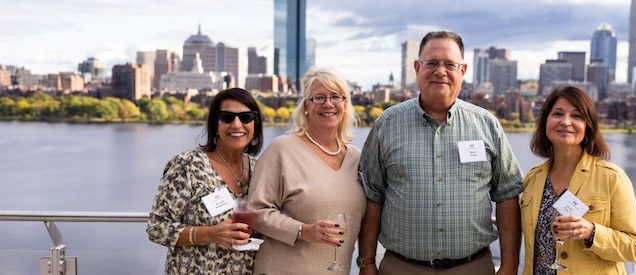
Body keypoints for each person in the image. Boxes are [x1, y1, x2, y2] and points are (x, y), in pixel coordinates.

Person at [358, 31, 525, 275]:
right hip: (401, 268)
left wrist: (510, 265)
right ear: (417, 67)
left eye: (449, 64)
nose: (441, 71)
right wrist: (367, 262)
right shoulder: (387, 123)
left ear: (463, 70)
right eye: (432, 63)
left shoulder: (487, 125)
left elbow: (508, 195)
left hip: (473, 268)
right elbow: (372, 196)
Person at [247, 66, 365, 274]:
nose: (328, 104)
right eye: (318, 98)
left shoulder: (356, 157)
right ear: (306, 107)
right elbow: (255, 212)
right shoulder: (282, 149)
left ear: (345, 105)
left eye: (336, 96)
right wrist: (302, 230)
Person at [520, 85, 636, 274]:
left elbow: (634, 247)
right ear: (545, 121)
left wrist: (591, 232)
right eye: (557, 114)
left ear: (588, 127)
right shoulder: (533, 178)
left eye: (577, 116)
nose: (566, 122)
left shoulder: (611, 177)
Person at [146, 87, 264, 275]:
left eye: (246, 117)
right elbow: (157, 228)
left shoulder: (260, 170)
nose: (236, 124)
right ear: (214, 124)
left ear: (255, 124)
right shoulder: (188, 165)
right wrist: (211, 234)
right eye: (226, 117)